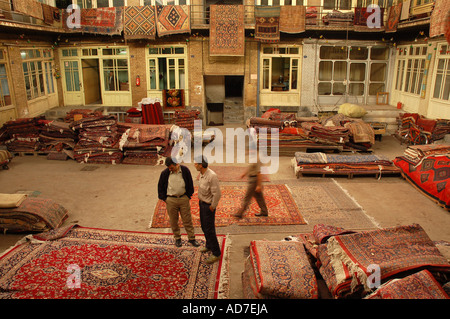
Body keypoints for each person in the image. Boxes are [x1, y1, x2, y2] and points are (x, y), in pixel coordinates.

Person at [158, 157, 199, 248]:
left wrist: (188, 196)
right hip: (171, 200)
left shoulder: (185, 170)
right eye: (169, 168)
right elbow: (160, 187)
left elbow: (190, 184)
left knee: (187, 220)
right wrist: (166, 199)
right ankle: (177, 238)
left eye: (171, 167)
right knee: (173, 221)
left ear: (177, 164)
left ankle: (191, 238)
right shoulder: (165, 173)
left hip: (183, 198)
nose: (170, 169)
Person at [194, 155, 222, 264]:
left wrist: (212, 206)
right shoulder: (202, 174)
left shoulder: (212, 176)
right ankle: (209, 245)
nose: (194, 165)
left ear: (201, 165)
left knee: (209, 229)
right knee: (204, 226)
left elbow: (217, 194)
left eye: (196, 163)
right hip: (202, 204)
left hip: (208, 206)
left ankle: (216, 253)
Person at [233, 152, 268, 218]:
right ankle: (264, 211)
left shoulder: (257, 159)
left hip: (254, 181)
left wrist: (259, 185)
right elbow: (251, 167)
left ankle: (240, 213)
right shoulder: (253, 158)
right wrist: (244, 174)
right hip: (252, 179)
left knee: (247, 197)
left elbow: (259, 173)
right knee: (259, 197)